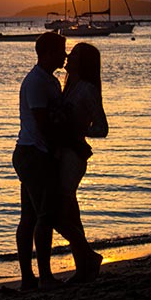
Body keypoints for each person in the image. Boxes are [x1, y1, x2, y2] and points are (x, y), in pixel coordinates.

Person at [12, 32, 101, 291]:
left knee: (32, 216)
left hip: (40, 154)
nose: (65, 56)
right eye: (62, 51)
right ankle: (47, 275)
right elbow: (43, 125)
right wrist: (73, 140)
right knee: (44, 216)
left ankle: (32, 279)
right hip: (33, 154)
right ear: (49, 53)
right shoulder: (36, 83)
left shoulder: (51, 82)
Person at [53, 42, 108, 283]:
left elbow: (102, 128)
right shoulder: (69, 85)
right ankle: (84, 266)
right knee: (70, 213)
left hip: (73, 157)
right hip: (61, 153)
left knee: (60, 210)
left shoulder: (87, 89)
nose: (68, 56)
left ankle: (87, 258)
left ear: (82, 61)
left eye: (73, 54)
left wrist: (78, 130)